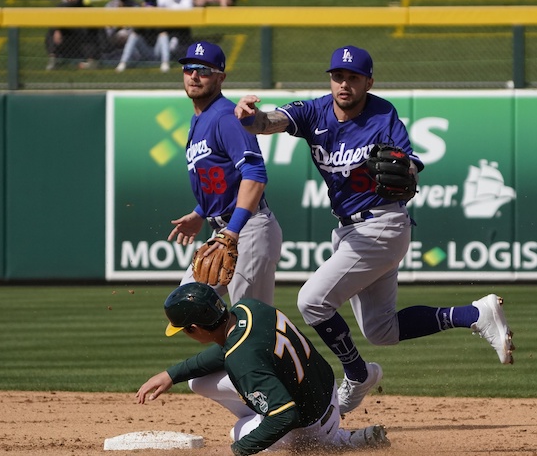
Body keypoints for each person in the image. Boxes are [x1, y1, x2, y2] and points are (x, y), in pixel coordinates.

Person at [234, 45, 515, 415]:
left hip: (382, 225)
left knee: (311, 302)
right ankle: (474, 314)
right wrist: (249, 118)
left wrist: (406, 171)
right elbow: (269, 123)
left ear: (369, 81)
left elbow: (410, 164)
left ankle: (356, 373)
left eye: (353, 77)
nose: (344, 84)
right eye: (338, 77)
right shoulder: (313, 110)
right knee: (382, 332)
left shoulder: (383, 114)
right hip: (351, 231)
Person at [136, 282, 391, 455]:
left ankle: (339, 442)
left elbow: (284, 417)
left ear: (196, 328)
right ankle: (335, 434)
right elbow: (229, 350)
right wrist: (171, 374)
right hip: (325, 392)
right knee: (197, 381)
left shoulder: (242, 361)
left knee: (237, 433)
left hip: (310, 427)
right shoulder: (248, 308)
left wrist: (239, 450)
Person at [168, 40, 282, 306]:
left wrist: (232, 231)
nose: (194, 75)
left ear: (221, 77)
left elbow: (255, 174)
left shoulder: (226, 117)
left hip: (247, 229)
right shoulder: (199, 119)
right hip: (223, 231)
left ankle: (291, 347)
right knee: (187, 305)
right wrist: (200, 212)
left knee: (253, 324)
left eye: (204, 70)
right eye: (189, 68)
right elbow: (226, 179)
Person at [44, 0, 103, 70]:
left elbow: (94, 32)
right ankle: (53, 60)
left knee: (90, 37)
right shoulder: (61, 8)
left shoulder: (88, 9)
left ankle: (92, 62)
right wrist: (57, 30)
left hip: (83, 43)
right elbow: (54, 24)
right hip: (67, 41)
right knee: (51, 34)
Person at [115, 0, 171, 73]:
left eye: (151, 3)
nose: (149, 7)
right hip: (144, 50)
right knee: (133, 35)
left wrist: (153, 18)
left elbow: (163, 32)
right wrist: (145, 19)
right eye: (147, 3)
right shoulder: (140, 15)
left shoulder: (159, 15)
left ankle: (165, 63)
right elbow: (136, 32)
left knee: (163, 35)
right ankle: (123, 63)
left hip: (157, 51)